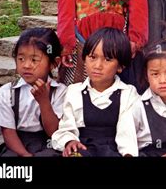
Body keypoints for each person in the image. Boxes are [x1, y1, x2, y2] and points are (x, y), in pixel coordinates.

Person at [51, 28, 140, 157]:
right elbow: (66, 127)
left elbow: (127, 132)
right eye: (92, 57)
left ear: (120, 66)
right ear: (84, 58)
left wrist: (128, 154)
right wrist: (70, 141)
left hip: (114, 151)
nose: (97, 65)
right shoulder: (74, 91)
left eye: (107, 59)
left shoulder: (128, 94)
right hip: (83, 149)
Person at [0, 28, 67, 157]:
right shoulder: (7, 92)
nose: (26, 65)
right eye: (21, 59)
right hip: (16, 146)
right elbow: (8, 132)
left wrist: (44, 101)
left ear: (54, 63)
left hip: (49, 143)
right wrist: (25, 155)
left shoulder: (60, 92)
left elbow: (54, 132)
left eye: (34, 60)